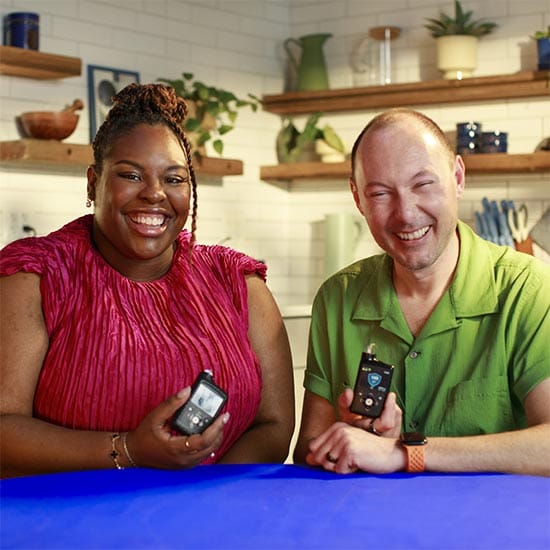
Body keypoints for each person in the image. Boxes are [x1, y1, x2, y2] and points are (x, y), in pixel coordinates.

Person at [0, 83, 294, 478]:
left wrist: (199, 500)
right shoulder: (34, 277)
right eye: (131, 175)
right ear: (92, 183)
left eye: (173, 179)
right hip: (71, 524)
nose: (155, 194)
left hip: (214, 524)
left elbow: (275, 426)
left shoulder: (238, 283)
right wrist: (129, 450)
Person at [293, 108, 550, 476]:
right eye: (381, 193)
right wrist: (355, 436)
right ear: (357, 198)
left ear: (458, 177)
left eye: (423, 184)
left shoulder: (529, 291)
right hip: (368, 529)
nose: (406, 214)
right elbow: (309, 453)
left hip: (493, 531)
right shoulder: (336, 299)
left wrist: (403, 453)